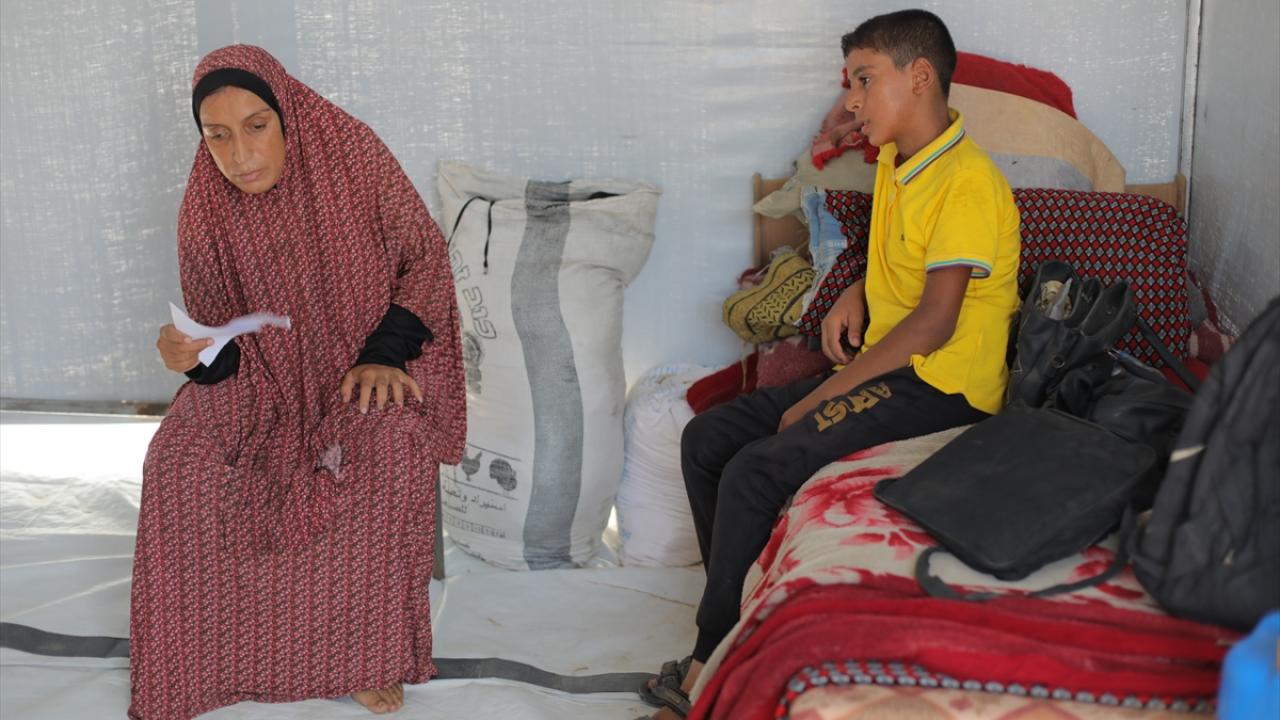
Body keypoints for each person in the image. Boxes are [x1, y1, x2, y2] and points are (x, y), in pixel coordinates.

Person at [639, 10, 1022, 719]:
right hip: (896, 366)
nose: (851, 99)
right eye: (851, 82)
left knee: (756, 469)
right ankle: (741, 612)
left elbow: (935, 322)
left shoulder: (967, 181)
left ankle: (708, 661)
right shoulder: (903, 162)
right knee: (707, 439)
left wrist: (823, 395)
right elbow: (910, 265)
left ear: (920, 77)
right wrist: (856, 288)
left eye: (865, 79)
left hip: (944, 385)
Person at [131, 45, 465, 719]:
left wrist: (385, 355)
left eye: (256, 126)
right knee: (179, 458)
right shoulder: (206, 205)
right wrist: (190, 356)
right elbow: (223, 350)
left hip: (359, 374)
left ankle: (363, 657)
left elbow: (424, 260)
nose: (239, 154)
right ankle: (207, 661)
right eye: (217, 135)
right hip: (261, 385)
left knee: (388, 447)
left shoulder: (354, 157)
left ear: (287, 116)